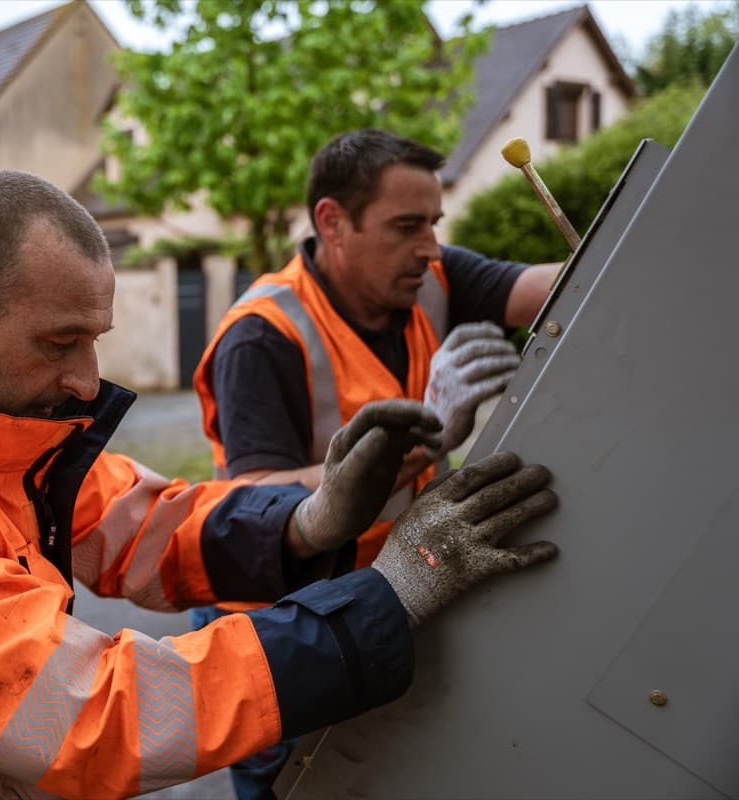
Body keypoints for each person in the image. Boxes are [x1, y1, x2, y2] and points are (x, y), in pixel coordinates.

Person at [0, 170, 558, 800]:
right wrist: (388, 596)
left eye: (94, 338)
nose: (87, 376)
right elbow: (94, 719)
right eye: (60, 341)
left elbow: (146, 522)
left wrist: (309, 518)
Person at [191, 128, 562, 798]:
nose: (429, 246)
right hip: (281, 627)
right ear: (332, 221)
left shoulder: (429, 277)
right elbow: (257, 501)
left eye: (434, 224)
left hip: (384, 596)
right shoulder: (262, 336)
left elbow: (554, 288)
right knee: (298, 784)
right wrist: (422, 433)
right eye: (406, 226)